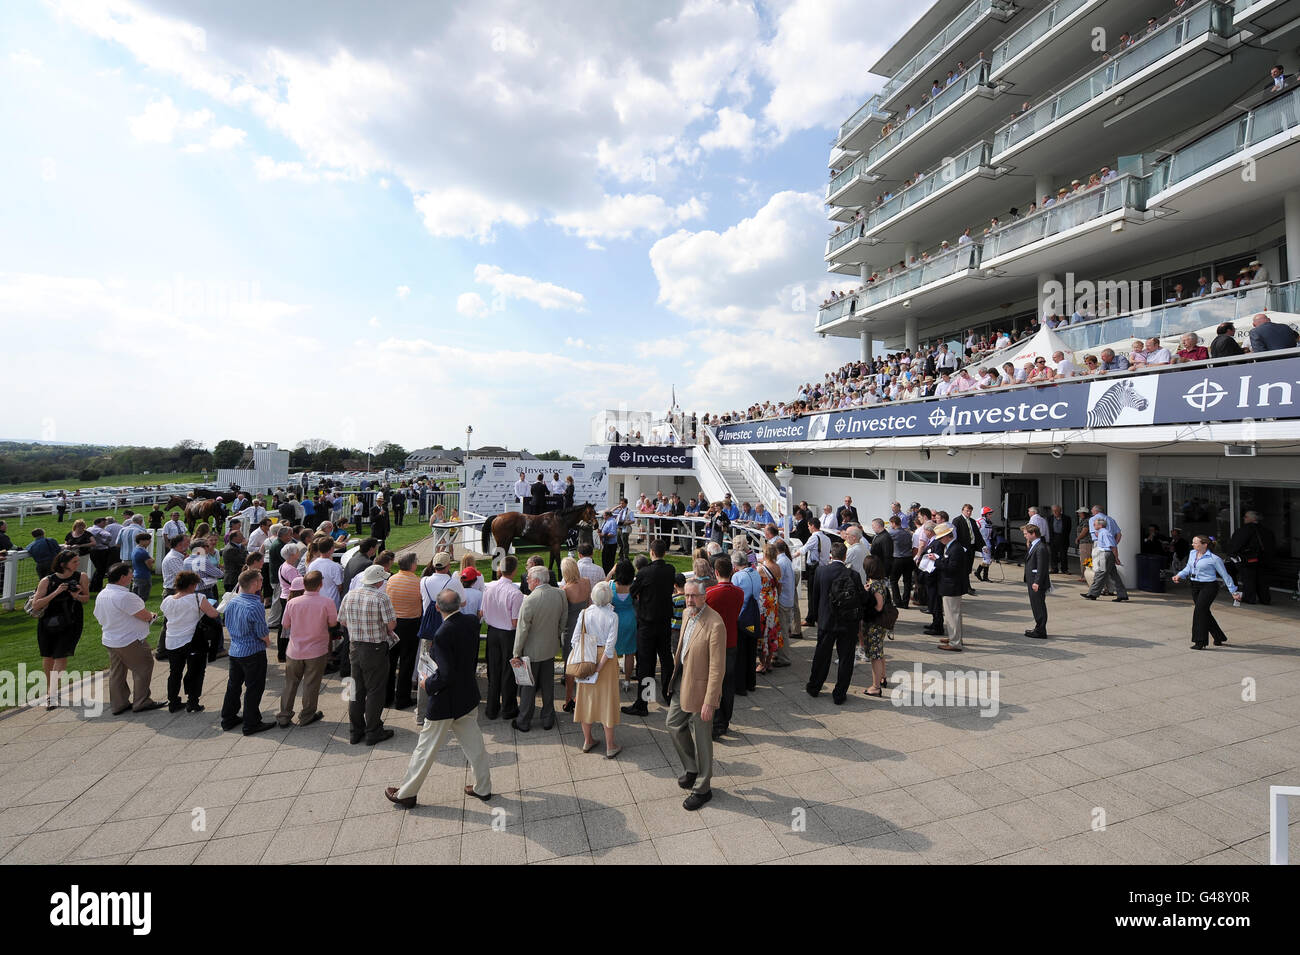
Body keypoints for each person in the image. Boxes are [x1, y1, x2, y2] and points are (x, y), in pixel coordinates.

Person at [386, 588, 493, 808]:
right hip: (467, 695)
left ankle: (407, 793)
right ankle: (483, 787)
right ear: (461, 604)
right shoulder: (472, 621)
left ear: (436, 607)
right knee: (475, 746)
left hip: (445, 701)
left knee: (425, 749)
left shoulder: (443, 633)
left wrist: (427, 683)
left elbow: (445, 674)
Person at [666, 579, 727, 811]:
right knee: (672, 724)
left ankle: (703, 788)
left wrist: (710, 701)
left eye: (694, 596)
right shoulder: (686, 615)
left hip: (702, 690)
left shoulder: (715, 624)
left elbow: (717, 668)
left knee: (702, 740)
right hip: (682, 682)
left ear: (704, 597)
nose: (689, 600)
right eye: (687, 595)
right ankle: (692, 768)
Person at [94, 562, 165, 715]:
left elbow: (98, 616)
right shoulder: (126, 596)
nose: (132, 576)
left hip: (110, 638)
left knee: (117, 672)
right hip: (129, 640)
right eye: (130, 574)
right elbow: (144, 616)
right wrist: (151, 616)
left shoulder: (103, 594)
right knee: (143, 667)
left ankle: (118, 704)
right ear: (122, 577)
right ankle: (142, 701)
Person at [340, 564, 398, 745]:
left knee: (355, 689)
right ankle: (373, 730)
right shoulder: (381, 598)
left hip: (355, 646)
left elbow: (342, 620)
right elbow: (391, 625)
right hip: (375, 648)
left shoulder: (350, 595)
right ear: (379, 581)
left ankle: (355, 730)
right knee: (375, 690)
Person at [806, 541, 866, 703]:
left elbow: (815, 597)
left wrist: (815, 617)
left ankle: (814, 687)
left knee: (821, 656)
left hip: (826, 620)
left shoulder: (821, 571)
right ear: (845, 556)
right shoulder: (853, 575)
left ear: (831, 555)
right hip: (848, 622)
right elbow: (860, 598)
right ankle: (839, 694)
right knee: (846, 658)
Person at [622, 537, 676, 717]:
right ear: (664, 552)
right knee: (666, 658)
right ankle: (668, 694)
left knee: (647, 663)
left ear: (651, 553)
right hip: (664, 622)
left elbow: (632, 592)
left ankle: (643, 703)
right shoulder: (671, 570)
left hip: (647, 624)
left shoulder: (645, 573)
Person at [509, 565, 566, 732]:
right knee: (548, 685)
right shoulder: (560, 594)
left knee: (528, 687)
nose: (526, 580)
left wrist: (516, 653)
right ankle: (548, 718)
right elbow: (563, 620)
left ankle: (524, 720)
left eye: (528, 578)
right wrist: (555, 636)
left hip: (531, 651)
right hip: (550, 648)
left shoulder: (530, 600)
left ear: (536, 581)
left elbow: (522, 630)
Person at [31, 549, 90, 709]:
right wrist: (57, 592)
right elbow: (36, 604)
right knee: (48, 656)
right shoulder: (47, 581)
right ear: (63, 564)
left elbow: (86, 598)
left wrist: (76, 595)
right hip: (48, 622)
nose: (77, 564)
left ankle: (52, 693)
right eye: (74, 562)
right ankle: (50, 689)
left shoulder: (81, 577)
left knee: (61, 655)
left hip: (71, 621)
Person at [277, 570, 337, 727]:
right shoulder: (327, 602)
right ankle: (307, 715)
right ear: (320, 584)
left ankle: (284, 715)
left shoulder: (292, 603)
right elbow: (332, 623)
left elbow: (285, 624)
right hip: (316, 650)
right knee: (311, 684)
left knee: (290, 683)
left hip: (294, 650)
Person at [221, 568, 276, 735]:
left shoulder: (232, 601)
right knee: (254, 687)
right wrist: (267, 642)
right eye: (260, 580)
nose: (262, 583)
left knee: (233, 686)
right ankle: (251, 722)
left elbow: (227, 623)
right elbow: (262, 632)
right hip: (252, 652)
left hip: (236, 650)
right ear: (254, 584)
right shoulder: (255, 605)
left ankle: (228, 718)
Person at [572, 580, 622, 757]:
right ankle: (610, 745)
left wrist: (587, 662)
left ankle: (588, 740)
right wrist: (599, 667)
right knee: (607, 700)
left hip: (587, 657)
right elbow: (610, 646)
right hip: (605, 662)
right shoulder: (612, 616)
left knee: (585, 700)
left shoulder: (584, 613)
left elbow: (575, 639)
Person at [159, 570, 219, 712]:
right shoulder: (198, 598)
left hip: (172, 641)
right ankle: (193, 701)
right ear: (192, 585)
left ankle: (173, 701)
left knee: (175, 672)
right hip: (193, 641)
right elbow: (213, 614)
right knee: (196, 672)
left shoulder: (167, 600)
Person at [1171, 536, 1242, 649]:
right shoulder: (1192, 553)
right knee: (1204, 612)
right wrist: (1179, 575)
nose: (1192, 544)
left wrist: (1233, 591)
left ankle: (1200, 641)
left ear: (1204, 545)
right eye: (1193, 542)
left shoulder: (1214, 559)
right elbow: (1188, 567)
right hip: (1195, 586)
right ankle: (1219, 636)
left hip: (1209, 587)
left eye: (1195, 543)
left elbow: (1225, 575)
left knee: (1199, 612)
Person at [705, 555, 743, 739]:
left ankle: (715, 721)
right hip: (732, 641)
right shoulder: (739, 593)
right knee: (728, 683)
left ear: (716, 572)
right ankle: (724, 720)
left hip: (714, 643)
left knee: (714, 683)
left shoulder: (710, 593)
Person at [482, 555, 523, 721]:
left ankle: (491, 709)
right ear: (514, 571)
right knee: (508, 672)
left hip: (492, 632)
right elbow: (515, 621)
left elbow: (483, 612)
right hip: (507, 633)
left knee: (494, 670)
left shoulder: (489, 587)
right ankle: (508, 708)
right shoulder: (515, 593)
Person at [384, 553, 424, 710]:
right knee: (407, 662)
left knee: (391, 661)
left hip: (393, 623)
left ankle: (387, 697)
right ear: (412, 565)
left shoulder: (391, 579)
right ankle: (402, 698)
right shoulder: (417, 582)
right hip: (410, 623)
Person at [559, 557, 592, 713]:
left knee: (570, 667)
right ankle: (582, 698)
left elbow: (561, 614)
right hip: (585, 627)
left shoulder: (565, 590)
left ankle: (568, 700)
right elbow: (590, 605)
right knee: (584, 663)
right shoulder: (586, 582)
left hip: (570, 630)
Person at [1226, 510, 1274, 605]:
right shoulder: (1266, 531)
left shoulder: (1244, 530)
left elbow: (1236, 544)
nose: (1244, 518)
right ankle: (1265, 599)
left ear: (1253, 518)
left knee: (1248, 580)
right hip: (1263, 560)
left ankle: (1249, 598)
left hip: (1248, 560)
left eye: (1246, 517)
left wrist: (1232, 554)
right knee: (1262, 581)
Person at [933, 523, 967, 651]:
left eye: (941, 538)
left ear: (947, 536)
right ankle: (955, 637)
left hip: (952, 586)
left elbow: (952, 568)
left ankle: (955, 642)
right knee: (954, 615)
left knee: (952, 615)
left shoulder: (955, 548)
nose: (940, 541)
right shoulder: (952, 546)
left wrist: (936, 562)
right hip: (951, 585)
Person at [1083, 516, 1128, 601]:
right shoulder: (1102, 532)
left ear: (1100, 525)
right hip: (1106, 555)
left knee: (1100, 574)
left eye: (1095, 524)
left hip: (1106, 555)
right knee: (1114, 575)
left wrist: (1116, 558)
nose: (1093, 525)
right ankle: (1122, 594)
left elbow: (1113, 546)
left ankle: (1092, 594)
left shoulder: (1104, 533)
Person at [1022, 524, 1050, 639]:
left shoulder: (1040, 547)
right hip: (1032, 580)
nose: (1025, 536)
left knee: (1038, 605)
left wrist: (1037, 582)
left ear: (1033, 534)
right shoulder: (1034, 545)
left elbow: (1041, 567)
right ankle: (1039, 627)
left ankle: (1040, 630)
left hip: (1036, 582)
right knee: (1036, 605)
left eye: (1026, 534)